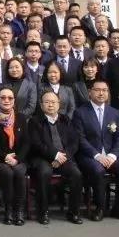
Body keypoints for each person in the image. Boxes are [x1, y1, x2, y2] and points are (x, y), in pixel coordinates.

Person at [73, 80, 119, 222]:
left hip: (110, 154)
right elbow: (80, 138)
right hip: (89, 155)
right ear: (90, 92)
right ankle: (99, 208)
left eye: (105, 90)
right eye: (98, 90)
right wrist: (97, 155)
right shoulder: (80, 112)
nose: (101, 93)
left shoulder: (114, 112)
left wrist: (113, 155)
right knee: (98, 170)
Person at [27, 91, 84, 225]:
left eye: (53, 102)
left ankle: (74, 212)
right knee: (44, 172)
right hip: (42, 157)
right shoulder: (34, 121)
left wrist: (63, 156)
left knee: (76, 174)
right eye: (47, 102)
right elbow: (36, 144)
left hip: (64, 157)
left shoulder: (66, 120)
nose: (50, 105)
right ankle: (43, 212)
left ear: (59, 104)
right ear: (41, 105)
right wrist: (55, 155)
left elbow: (74, 142)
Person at [0, 86, 29, 225]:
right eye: (3, 98)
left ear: (14, 101)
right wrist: (5, 157)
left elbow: (27, 143)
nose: (6, 100)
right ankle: (8, 210)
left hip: (18, 159)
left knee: (19, 172)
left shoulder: (21, 118)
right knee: (7, 173)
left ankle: (19, 210)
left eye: (10, 98)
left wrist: (17, 159)